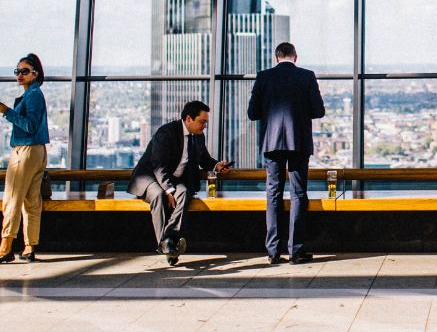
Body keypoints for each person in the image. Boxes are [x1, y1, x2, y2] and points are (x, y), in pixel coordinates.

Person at [247, 42, 325, 265]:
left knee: (273, 194)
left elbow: (253, 113)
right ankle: (296, 251)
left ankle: (272, 251)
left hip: (271, 143)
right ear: (295, 57)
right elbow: (318, 111)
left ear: (276, 57)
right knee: (299, 194)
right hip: (298, 141)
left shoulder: (263, 77)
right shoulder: (307, 76)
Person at [129, 100, 231, 265]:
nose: (204, 126)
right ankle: (169, 244)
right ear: (189, 119)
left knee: (184, 193)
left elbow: (203, 158)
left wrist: (216, 165)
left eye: (205, 122)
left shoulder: (198, 136)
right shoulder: (166, 132)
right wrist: (169, 190)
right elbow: (158, 166)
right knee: (159, 195)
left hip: (174, 179)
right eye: (202, 121)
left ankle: (168, 241)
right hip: (150, 177)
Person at [0, 53, 50, 264]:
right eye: (17, 71)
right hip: (37, 151)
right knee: (31, 200)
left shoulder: (33, 96)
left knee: (12, 198)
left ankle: (5, 248)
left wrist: (7, 112)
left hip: (25, 151)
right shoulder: (34, 94)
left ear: (35, 74)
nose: (19, 75)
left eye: (24, 71)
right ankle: (29, 246)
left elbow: (29, 125)